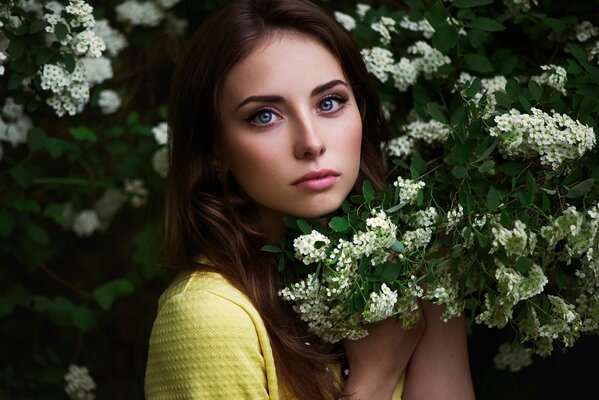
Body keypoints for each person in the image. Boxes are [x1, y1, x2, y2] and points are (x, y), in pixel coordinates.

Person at [144, 0, 475, 399]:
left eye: (330, 103)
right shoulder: (208, 318)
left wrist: (437, 301)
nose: (311, 143)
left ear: (361, 110)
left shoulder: (400, 269)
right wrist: (373, 379)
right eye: (264, 115)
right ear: (216, 148)